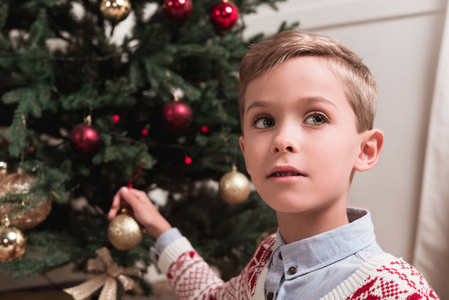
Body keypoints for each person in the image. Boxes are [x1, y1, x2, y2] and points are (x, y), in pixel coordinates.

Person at [108, 31, 438, 299]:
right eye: (264, 121)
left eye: (316, 117)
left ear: (364, 150)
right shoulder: (266, 259)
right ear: (246, 154)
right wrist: (158, 227)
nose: (282, 139)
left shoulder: (397, 291)